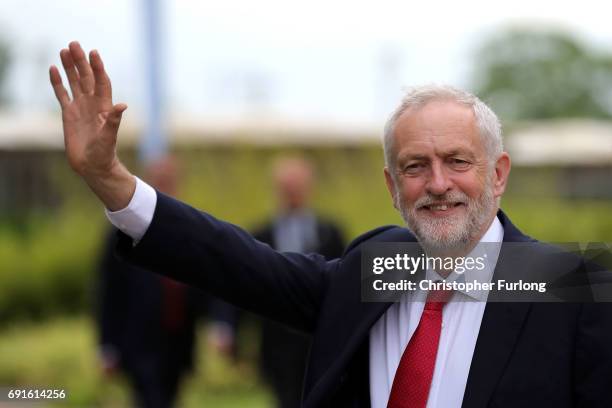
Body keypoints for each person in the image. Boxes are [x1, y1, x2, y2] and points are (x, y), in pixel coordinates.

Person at [50, 42, 612, 408]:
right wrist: (112, 180)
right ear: (393, 188)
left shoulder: (571, 287)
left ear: (499, 174)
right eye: (415, 166)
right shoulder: (376, 267)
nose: (437, 183)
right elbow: (235, 261)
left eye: (458, 161)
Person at [96, 156, 202, 408]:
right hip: (140, 343)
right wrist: (107, 345)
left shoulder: (190, 230)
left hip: (177, 341)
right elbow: (109, 291)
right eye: (161, 182)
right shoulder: (123, 230)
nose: (167, 188)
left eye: (171, 182)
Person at [253, 156, 344, 408]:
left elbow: (344, 280)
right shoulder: (260, 234)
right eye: (286, 187)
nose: (292, 193)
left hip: (318, 336)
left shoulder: (330, 232)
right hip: (277, 339)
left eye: (297, 186)